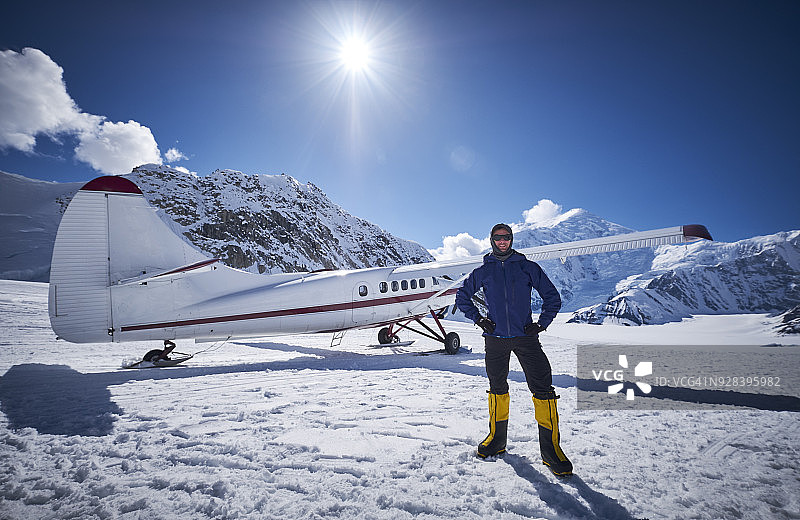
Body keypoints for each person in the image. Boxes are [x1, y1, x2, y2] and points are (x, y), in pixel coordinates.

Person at [455, 223, 572, 476]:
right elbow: (462, 297)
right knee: (497, 387)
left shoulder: (527, 267)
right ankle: (496, 440)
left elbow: (552, 297)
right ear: (491, 240)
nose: (502, 241)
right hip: (495, 339)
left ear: (511, 239)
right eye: (498, 237)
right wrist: (479, 320)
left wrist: (541, 324)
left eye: (506, 237)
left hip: (525, 338)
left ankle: (551, 451)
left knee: (543, 388)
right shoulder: (483, 271)